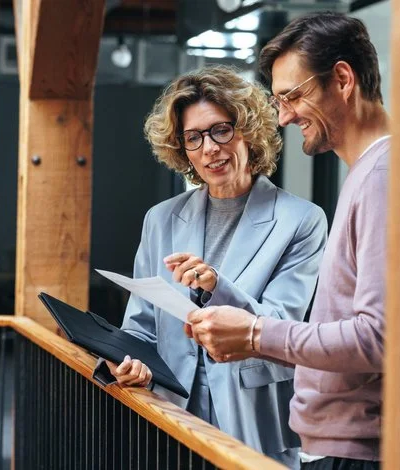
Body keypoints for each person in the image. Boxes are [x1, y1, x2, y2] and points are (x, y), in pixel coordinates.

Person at [93, 65, 327, 467]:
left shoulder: (301, 220)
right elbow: (141, 327)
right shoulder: (161, 219)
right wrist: (133, 365)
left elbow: (279, 326)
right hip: (174, 405)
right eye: (193, 138)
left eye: (221, 130)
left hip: (251, 411)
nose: (210, 148)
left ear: (248, 131)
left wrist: (219, 284)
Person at [185, 13, 389, 470]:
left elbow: (378, 337)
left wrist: (255, 333)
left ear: (342, 79)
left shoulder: (381, 176)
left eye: (292, 96)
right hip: (332, 445)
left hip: (353, 451)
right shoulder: (368, 173)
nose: (283, 115)